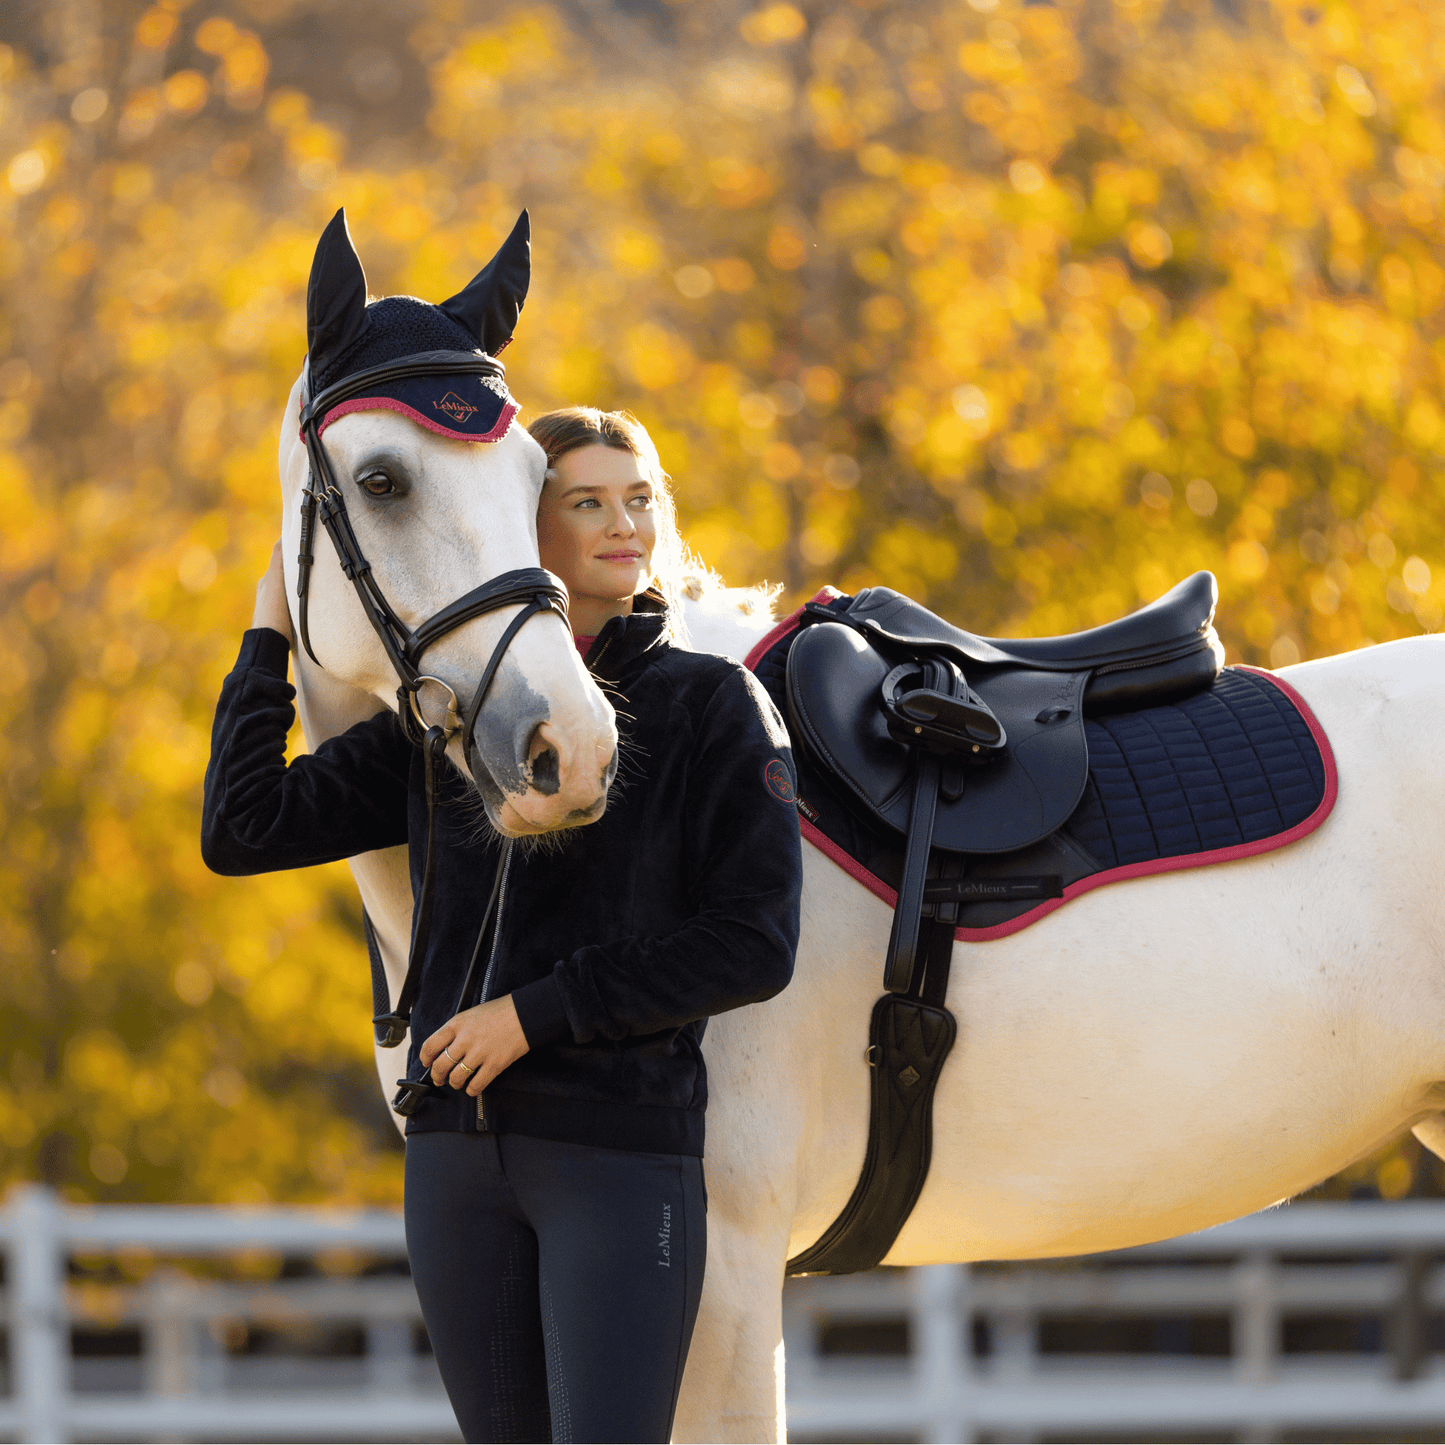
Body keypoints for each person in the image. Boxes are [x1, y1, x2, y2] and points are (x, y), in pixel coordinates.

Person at [202, 403, 803, 1444]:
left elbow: (754, 941)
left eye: (638, 499)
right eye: (588, 503)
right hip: (452, 1162)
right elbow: (242, 826)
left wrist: (534, 1014)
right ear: (525, 524)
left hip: (613, 1154)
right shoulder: (437, 719)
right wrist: (266, 640)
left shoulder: (712, 704)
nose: (626, 525)